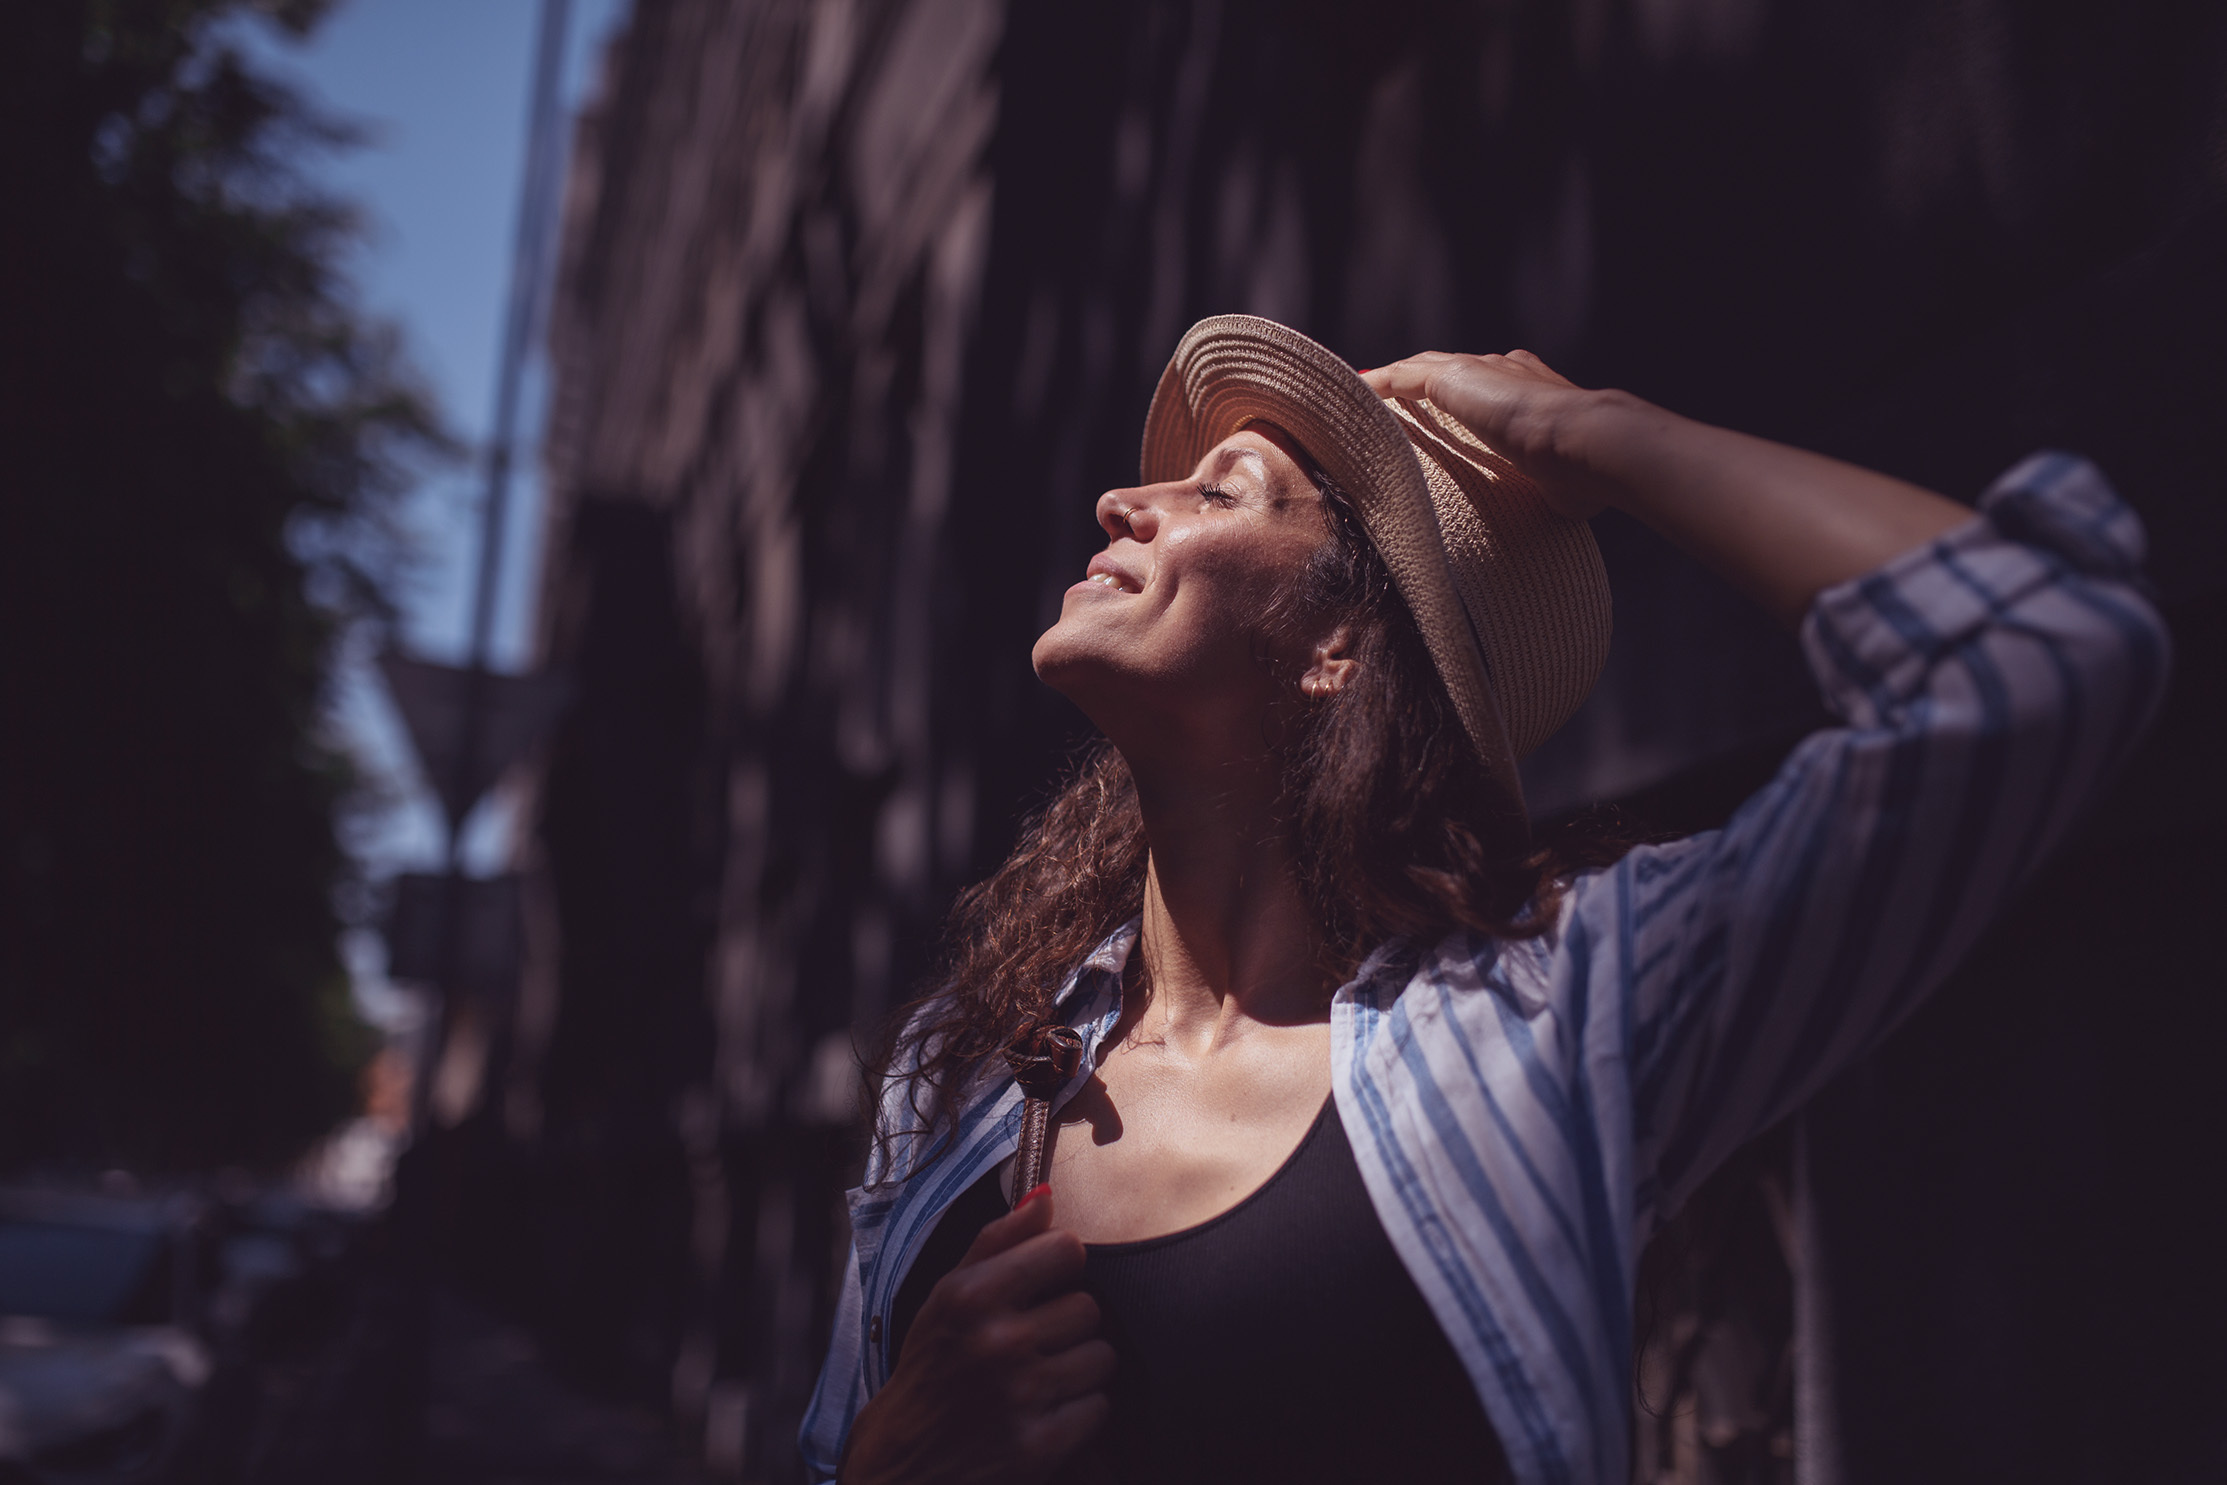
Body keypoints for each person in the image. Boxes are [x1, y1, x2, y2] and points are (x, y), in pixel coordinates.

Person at [800, 315, 2167, 1484]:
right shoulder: (966, 1066)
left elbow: (2042, 649)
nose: (1123, 503)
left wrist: (1598, 434)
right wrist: (882, 1459)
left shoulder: (1547, 1023)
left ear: (1340, 647)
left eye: (1222, 494)